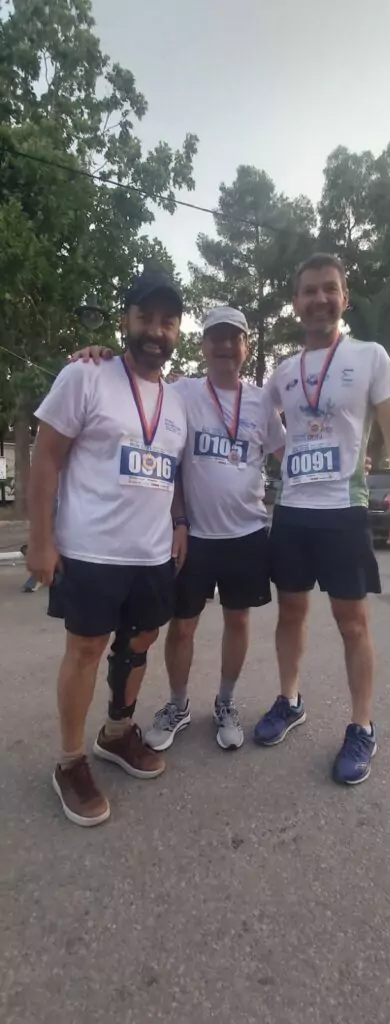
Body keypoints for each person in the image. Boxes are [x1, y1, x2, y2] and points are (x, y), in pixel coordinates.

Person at [71, 307, 285, 751]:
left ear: (246, 346)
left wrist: (339, 471)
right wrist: (102, 355)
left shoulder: (262, 401)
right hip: (194, 537)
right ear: (202, 345)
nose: (225, 346)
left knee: (238, 620)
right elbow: (136, 380)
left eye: (234, 338)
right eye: (216, 338)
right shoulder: (180, 392)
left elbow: (286, 453)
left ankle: (226, 703)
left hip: (246, 533)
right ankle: (177, 705)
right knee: (182, 628)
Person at [27, 270, 188, 826]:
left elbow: (173, 472)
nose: (156, 331)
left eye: (167, 322)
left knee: (140, 644)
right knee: (86, 651)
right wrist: (41, 541)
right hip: (90, 552)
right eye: (145, 317)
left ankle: (117, 732)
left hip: (152, 555)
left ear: (177, 331)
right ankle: (70, 761)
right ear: (125, 321)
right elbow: (46, 457)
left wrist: (180, 523)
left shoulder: (177, 400)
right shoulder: (85, 376)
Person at [254, 253, 390, 784]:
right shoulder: (283, 373)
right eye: (309, 290)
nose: (320, 299)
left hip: (343, 512)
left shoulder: (370, 356)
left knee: (353, 624)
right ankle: (290, 700)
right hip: (293, 513)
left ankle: (362, 726)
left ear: (344, 298)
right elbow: (260, 424)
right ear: (296, 303)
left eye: (330, 289)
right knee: (290, 615)